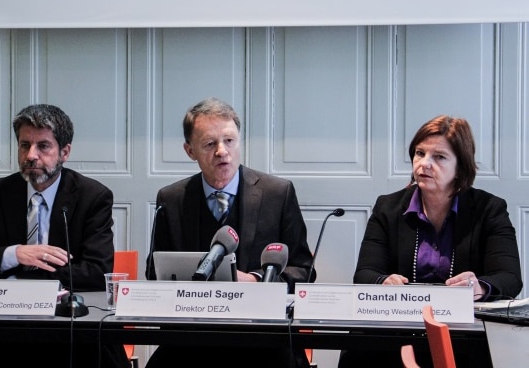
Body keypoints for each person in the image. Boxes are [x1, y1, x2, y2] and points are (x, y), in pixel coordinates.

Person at [0, 104, 130, 368]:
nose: (31, 155)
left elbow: (97, 271)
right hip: (3, 330)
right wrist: (14, 254)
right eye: (24, 145)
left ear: (64, 152)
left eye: (43, 146)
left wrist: (30, 281)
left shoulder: (92, 197)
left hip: (65, 327)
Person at [338, 115, 523, 368]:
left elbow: (510, 277)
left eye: (439, 157)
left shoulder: (489, 209)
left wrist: (479, 286)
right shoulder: (388, 207)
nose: (424, 164)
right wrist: (383, 281)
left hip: (462, 335)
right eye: (419, 153)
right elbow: (364, 274)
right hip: (397, 331)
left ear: (461, 167)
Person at [144, 97, 315, 368]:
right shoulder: (172, 198)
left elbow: (304, 270)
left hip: (262, 338)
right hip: (192, 338)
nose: (222, 151)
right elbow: (154, 273)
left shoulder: (277, 193)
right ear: (190, 151)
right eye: (210, 144)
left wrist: (260, 281)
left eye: (230, 141)